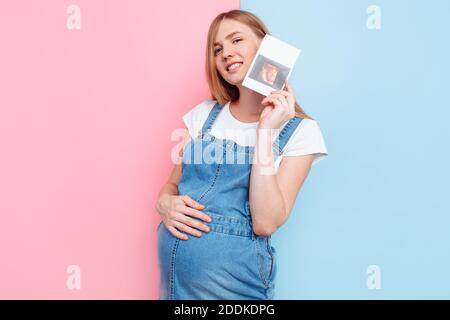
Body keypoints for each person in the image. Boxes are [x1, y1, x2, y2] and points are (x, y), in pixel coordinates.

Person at [155, 9, 328, 300]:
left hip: (236, 287)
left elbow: (266, 221)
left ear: (266, 48)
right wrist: (163, 203)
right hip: (173, 287)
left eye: (237, 40)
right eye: (217, 49)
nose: (225, 53)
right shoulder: (202, 116)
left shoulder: (302, 133)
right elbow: (172, 185)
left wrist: (266, 130)